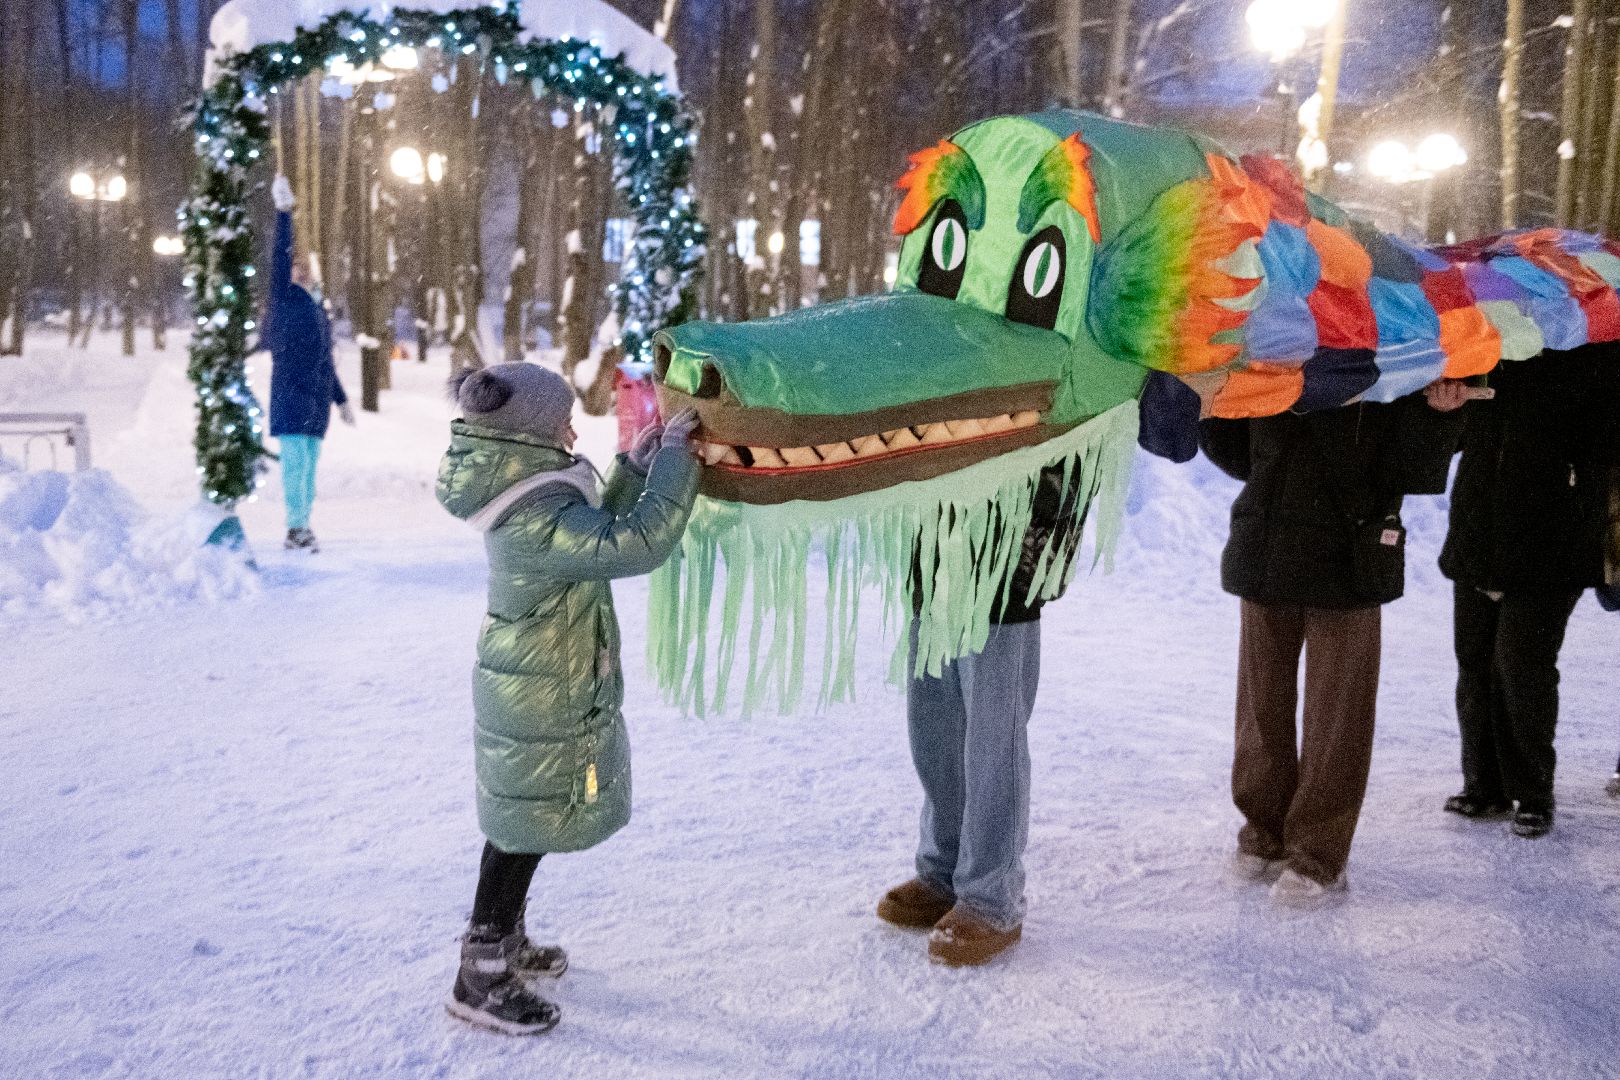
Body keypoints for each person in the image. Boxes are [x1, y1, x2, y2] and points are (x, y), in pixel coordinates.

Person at [436, 360, 699, 1035]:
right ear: (529, 432)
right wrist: (675, 465)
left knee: (526, 820)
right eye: (561, 421)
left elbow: (593, 532)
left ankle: (505, 941)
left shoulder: (532, 492)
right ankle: (481, 973)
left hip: (540, 678)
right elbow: (633, 544)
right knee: (519, 828)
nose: (573, 428)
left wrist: (636, 472)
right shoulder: (531, 511)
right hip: (538, 687)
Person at [1199, 380, 1467, 907]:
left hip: (1351, 549)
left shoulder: (1392, 340)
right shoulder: (1280, 332)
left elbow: (1410, 467)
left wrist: (1440, 414)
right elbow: (1238, 455)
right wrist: (1214, 405)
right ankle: (1263, 832)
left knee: (1337, 713)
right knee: (1260, 705)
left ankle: (1318, 855)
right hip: (1266, 543)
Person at [875, 463, 1085, 966]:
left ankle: (993, 896)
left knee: (993, 731)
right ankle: (943, 868)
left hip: (1012, 529)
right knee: (934, 720)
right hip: (939, 524)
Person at [1439, 343, 1620, 838]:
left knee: (1522, 665)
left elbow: (1607, 441)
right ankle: (1484, 786)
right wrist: (1444, 400)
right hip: (1479, 526)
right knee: (1475, 660)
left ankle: (1534, 793)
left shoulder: (1598, 346)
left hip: (1553, 537)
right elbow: (1452, 436)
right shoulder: (1483, 339)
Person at [265, 175, 353, 553]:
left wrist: (341, 399)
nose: (299, 269)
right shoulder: (285, 298)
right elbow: (279, 256)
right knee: (294, 468)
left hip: (316, 403)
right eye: (295, 266)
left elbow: (325, 362)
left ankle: (303, 525)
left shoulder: (318, 310)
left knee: (309, 472)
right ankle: (295, 527)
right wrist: (284, 215)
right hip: (291, 397)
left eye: (305, 266)